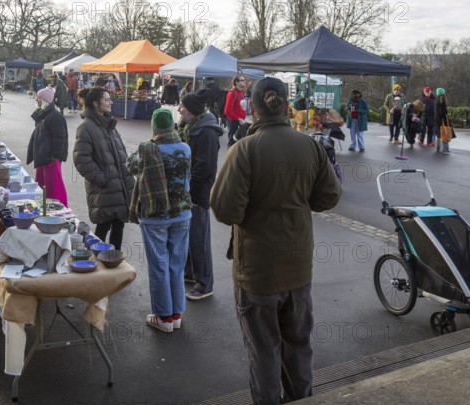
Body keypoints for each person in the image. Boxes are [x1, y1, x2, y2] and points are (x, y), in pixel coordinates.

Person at [210, 77, 342, 405]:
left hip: (257, 273)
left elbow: (226, 210)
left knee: (264, 354)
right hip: (298, 269)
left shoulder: (244, 150)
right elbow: (329, 197)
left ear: (252, 109)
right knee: (298, 349)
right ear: (287, 107)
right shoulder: (310, 145)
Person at [127, 108, 192, 333]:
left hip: (155, 216)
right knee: (176, 263)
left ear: (154, 128)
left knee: (159, 266)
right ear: (173, 127)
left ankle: (163, 317)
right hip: (182, 214)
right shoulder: (185, 148)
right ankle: (176, 315)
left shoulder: (147, 150)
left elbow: (130, 166)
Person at [74, 87, 135, 250]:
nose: (111, 102)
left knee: (119, 225)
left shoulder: (110, 124)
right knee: (103, 227)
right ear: (95, 103)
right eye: (107, 100)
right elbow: (81, 160)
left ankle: (115, 261)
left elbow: (120, 153)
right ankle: (93, 261)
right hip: (104, 188)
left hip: (120, 186)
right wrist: (104, 179)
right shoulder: (86, 127)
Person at [177, 89, 222, 300]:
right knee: (189, 235)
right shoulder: (191, 128)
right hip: (189, 192)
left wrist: (187, 188)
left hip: (197, 194)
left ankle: (205, 284)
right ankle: (190, 273)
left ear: (192, 110)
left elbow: (204, 169)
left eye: (182, 106)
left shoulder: (206, 133)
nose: (179, 109)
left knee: (199, 239)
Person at [26, 86, 69, 207]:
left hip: (50, 159)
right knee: (42, 186)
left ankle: (59, 209)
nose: (36, 100)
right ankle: (43, 208)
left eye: (38, 98)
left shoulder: (55, 116)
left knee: (54, 188)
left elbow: (60, 139)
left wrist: (55, 157)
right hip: (43, 158)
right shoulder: (45, 114)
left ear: (44, 99)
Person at [224, 75, 247, 146]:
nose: (244, 82)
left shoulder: (241, 92)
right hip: (234, 122)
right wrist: (238, 118)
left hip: (240, 122)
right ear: (237, 82)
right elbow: (227, 111)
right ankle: (230, 157)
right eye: (242, 80)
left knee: (239, 144)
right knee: (232, 143)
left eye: (244, 80)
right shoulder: (232, 93)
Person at [435, 87, 454, 154]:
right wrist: (446, 115)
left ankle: (442, 148)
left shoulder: (437, 100)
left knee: (441, 134)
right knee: (444, 134)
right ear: (442, 94)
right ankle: (445, 149)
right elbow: (441, 112)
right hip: (442, 121)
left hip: (439, 121)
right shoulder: (441, 101)